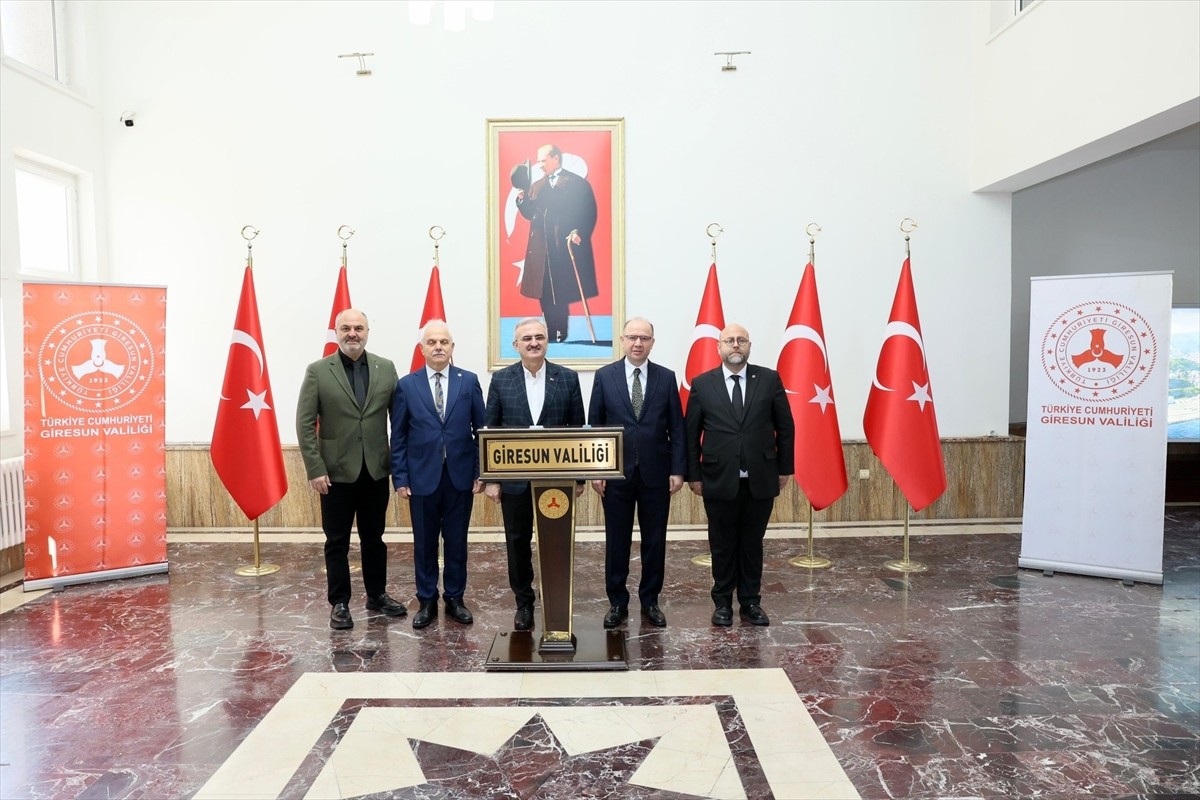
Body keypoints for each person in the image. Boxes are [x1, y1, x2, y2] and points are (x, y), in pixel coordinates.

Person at [297, 308, 405, 630]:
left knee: (375, 538)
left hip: (375, 471)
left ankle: (377, 595)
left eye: (359, 328)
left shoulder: (386, 368)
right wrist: (315, 468)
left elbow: (398, 422)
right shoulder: (318, 370)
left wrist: (399, 466)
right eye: (346, 328)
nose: (352, 333)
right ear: (336, 332)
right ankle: (340, 603)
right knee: (337, 541)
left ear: (368, 331)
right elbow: (304, 424)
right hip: (335, 474)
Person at [685, 323, 795, 627]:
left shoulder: (769, 379)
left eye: (741, 340)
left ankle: (750, 602)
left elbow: (785, 427)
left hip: (760, 478)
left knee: (752, 543)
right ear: (718, 348)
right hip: (718, 478)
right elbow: (691, 433)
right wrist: (694, 474)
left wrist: (785, 468)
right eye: (729, 341)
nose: (735, 345)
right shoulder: (702, 384)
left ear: (749, 346)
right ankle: (722, 603)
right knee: (721, 544)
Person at [483, 317, 586, 631]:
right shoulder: (501, 380)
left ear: (547, 342)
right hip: (514, 482)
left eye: (539, 337)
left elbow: (578, 430)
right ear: (516, 345)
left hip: (557, 481)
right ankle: (524, 602)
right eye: (526, 338)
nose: (533, 342)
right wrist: (491, 478)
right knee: (517, 542)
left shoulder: (567, 378)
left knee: (556, 543)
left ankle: (556, 603)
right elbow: (491, 431)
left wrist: (579, 478)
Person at [588, 317, 685, 629]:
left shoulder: (666, 378)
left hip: (657, 475)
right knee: (617, 540)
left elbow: (677, 428)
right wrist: (596, 470)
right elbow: (596, 427)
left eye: (644, 338)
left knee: (654, 541)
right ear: (622, 340)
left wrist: (678, 469)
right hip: (616, 475)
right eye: (632, 337)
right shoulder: (605, 377)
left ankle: (650, 601)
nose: (638, 343)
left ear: (652, 343)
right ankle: (617, 602)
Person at [390, 321, 486, 629]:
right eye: (431, 342)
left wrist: (479, 472)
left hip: (459, 477)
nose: (438, 347)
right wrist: (401, 478)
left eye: (444, 342)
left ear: (452, 347)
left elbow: (480, 432)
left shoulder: (468, 382)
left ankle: (455, 598)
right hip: (421, 479)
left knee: (457, 542)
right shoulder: (407, 385)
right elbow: (400, 435)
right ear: (422, 349)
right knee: (425, 542)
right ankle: (427, 600)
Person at [515, 144, 599, 343]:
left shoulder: (577, 184)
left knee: (560, 289)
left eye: (543, 161)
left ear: (555, 159)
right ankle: (551, 332)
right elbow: (529, 213)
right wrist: (521, 200)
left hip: (562, 244)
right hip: (541, 247)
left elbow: (588, 211)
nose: (540, 165)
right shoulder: (536, 186)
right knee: (544, 290)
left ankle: (561, 330)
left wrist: (579, 231)